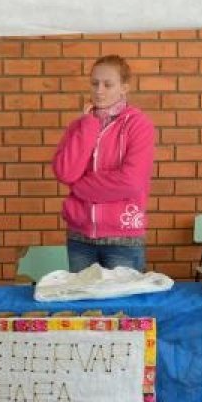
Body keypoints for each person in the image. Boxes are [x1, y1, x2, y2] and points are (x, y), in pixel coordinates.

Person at [52, 54, 155, 273]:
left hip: (123, 241)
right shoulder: (79, 126)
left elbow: (131, 182)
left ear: (124, 88)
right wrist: (89, 125)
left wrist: (79, 187)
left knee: (125, 307)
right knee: (85, 306)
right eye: (95, 83)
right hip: (80, 239)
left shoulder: (138, 125)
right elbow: (65, 172)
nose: (99, 90)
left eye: (108, 84)